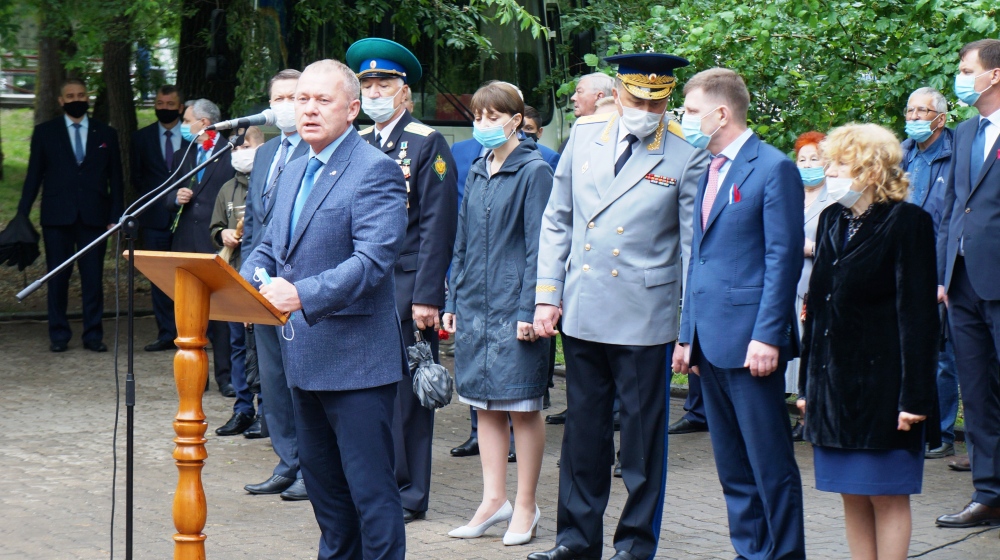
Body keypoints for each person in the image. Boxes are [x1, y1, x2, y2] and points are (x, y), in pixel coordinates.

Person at [529, 53, 709, 560]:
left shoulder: (685, 153)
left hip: (644, 315)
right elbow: (558, 219)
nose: (646, 111)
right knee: (583, 434)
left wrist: (688, 327)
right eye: (636, 100)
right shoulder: (586, 134)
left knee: (641, 443)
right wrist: (547, 296)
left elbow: (693, 247)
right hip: (585, 306)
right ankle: (575, 540)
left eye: (657, 102)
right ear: (616, 91)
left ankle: (635, 544)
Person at [239, 58, 408, 560]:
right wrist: (245, 282)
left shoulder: (374, 169)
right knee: (327, 500)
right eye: (300, 99)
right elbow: (268, 247)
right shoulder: (293, 168)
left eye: (321, 100)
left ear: (352, 109)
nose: (307, 110)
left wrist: (301, 295)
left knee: (370, 496)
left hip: (356, 364)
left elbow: (372, 261)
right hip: (304, 358)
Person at [675, 68, 806, 559]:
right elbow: (699, 258)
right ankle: (750, 551)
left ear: (721, 113)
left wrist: (768, 336)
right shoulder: (707, 168)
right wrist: (686, 335)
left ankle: (785, 554)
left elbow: (782, 258)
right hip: (709, 341)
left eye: (691, 111)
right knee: (732, 466)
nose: (683, 119)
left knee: (770, 464)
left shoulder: (773, 168)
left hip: (752, 342)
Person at [798, 123, 940, 559]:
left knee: (886, 494)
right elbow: (818, 309)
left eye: (840, 164)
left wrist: (914, 398)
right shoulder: (831, 219)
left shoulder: (908, 222)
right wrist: (806, 387)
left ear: (871, 169)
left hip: (884, 392)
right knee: (852, 494)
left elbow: (919, 317)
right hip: (834, 390)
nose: (828, 171)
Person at [347, 37, 459, 524]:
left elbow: (437, 223)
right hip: (364, 283)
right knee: (369, 389)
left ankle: (410, 493)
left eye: (384, 84)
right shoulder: (359, 141)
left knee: (410, 395)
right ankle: (378, 484)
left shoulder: (426, 141)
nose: (374, 92)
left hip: (408, 286)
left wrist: (428, 295)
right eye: (368, 84)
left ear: (403, 89)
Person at [442, 82, 552, 546]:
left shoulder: (535, 170)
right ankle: (493, 501)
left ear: (515, 120)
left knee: (522, 407)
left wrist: (530, 308)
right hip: (474, 306)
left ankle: (525, 505)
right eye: (478, 116)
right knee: (483, 405)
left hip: (515, 306)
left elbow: (541, 246)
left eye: (493, 116)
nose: (483, 124)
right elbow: (462, 241)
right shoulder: (477, 167)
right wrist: (452, 300)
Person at [936, 38, 1000, 529]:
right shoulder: (963, 132)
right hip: (962, 285)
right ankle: (989, 493)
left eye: (965, 70)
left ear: (993, 75)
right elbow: (953, 208)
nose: (960, 78)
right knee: (977, 394)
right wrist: (942, 275)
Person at [241, 68, 310, 498]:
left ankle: (312, 469)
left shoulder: (317, 150)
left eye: (293, 97)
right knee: (273, 380)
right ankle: (287, 462)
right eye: (278, 99)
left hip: (301, 290)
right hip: (262, 287)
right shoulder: (266, 153)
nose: (285, 106)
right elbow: (254, 226)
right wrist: (244, 287)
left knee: (301, 380)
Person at [17, 78, 123, 353]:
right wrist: (21, 214)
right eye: (71, 96)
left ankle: (93, 335)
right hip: (57, 218)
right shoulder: (45, 132)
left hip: (95, 217)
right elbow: (33, 176)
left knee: (93, 279)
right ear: (61, 101)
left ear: (87, 98)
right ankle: (59, 335)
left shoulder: (106, 133)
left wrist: (116, 216)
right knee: (57, 278)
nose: (76, 99)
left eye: (81, 95)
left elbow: (116, 179)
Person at [546, 72, 615, 426]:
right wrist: (549, 294)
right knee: (585, 403)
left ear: (602, 96)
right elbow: (558, 219)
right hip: (581, 290)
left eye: (579, 92)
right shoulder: (578, 137)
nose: (573, 98)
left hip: (628, 297)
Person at [900, 87, 959, 460]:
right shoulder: (901, 154)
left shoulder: (955, 154)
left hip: (940, 268)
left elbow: (953, 220)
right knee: (904, 348)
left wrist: (944, 277)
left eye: (922, 111)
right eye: (910, 111)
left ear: (940, 118)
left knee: (942, 356)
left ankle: (942, 433)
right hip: (901, 264)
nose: (914, 118)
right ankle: (910, 426)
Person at [166, 98, 235, 396]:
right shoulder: (184, 153)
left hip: (216, 242)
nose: (183, 126)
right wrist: (175, 198)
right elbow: (166, 193)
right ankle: (196, 375)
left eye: (187, 120)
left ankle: (226, 377)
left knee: (220, 314)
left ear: (204, 123)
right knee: (190, 313)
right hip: (185, 243)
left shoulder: (231, 152)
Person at [212, 126, 264, 437]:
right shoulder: (226, 189)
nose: (239, 153)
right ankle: (243, 408)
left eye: (246, 146)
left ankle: (267, 411)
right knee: (237, 345)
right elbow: (215, 226)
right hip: (233, 276)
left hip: (262, 281)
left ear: (260, 147)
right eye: (235, 148)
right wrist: (223, 234)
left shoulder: (270, 182)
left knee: (262, 347)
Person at [784, 130, 835, 441]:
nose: (807, 164)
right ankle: (789, 412)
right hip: (785, 284)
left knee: (812, 350)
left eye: (814, 159)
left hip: (815, 283)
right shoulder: (788, 193)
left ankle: (809, 418)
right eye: (802, 159)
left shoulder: (836, 196)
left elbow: (843, 244)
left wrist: (812, 248)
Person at [131, 84, 188, 352]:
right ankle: (166, 333)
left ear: (180, 107)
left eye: (170, 104)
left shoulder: (192, 137)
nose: (164, 108)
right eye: (160, 104)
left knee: (188, 276)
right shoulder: (141, 138)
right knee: (159, 278)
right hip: (154, 220)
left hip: (187, 218)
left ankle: (192, 330)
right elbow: (137, 177)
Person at [522, 105, 561, 172]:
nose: (521, 134)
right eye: (518, 128)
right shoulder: (504, 153)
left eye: (528, 128)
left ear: (539, 132)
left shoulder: (549, 157)